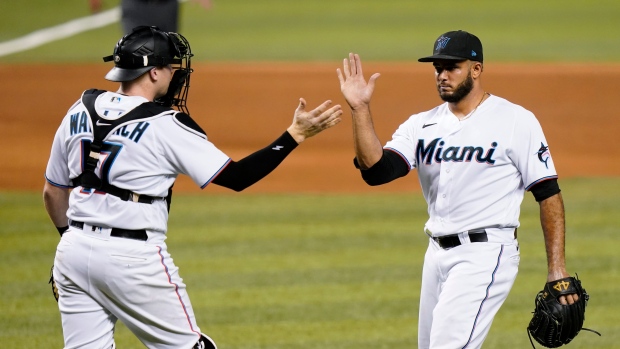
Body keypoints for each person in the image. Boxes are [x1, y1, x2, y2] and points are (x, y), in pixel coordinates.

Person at [44, 26, 341, 348]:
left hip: (71, 252)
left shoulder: (79, 108)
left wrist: (75, 244)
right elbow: (237, 178)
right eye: (171, 67)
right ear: (154, 72)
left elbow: (52, 192)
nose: (176, 74)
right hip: (131, 258)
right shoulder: (166, 124)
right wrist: (295, 134)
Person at [336, 30, 576, 349]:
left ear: (476, 69)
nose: (442, 75)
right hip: (435, 256)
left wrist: (556, 269)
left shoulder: (516, 120)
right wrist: (359, 109)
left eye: (452, 67)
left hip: (485, 253)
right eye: (438, 68)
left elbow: (548, 193)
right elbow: (376, 172)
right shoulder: (421, 125)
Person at [89, 0, 212, 34]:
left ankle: (162, 97)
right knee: (135, 52)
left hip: (167, 7)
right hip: (135, 6)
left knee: (165, 55)